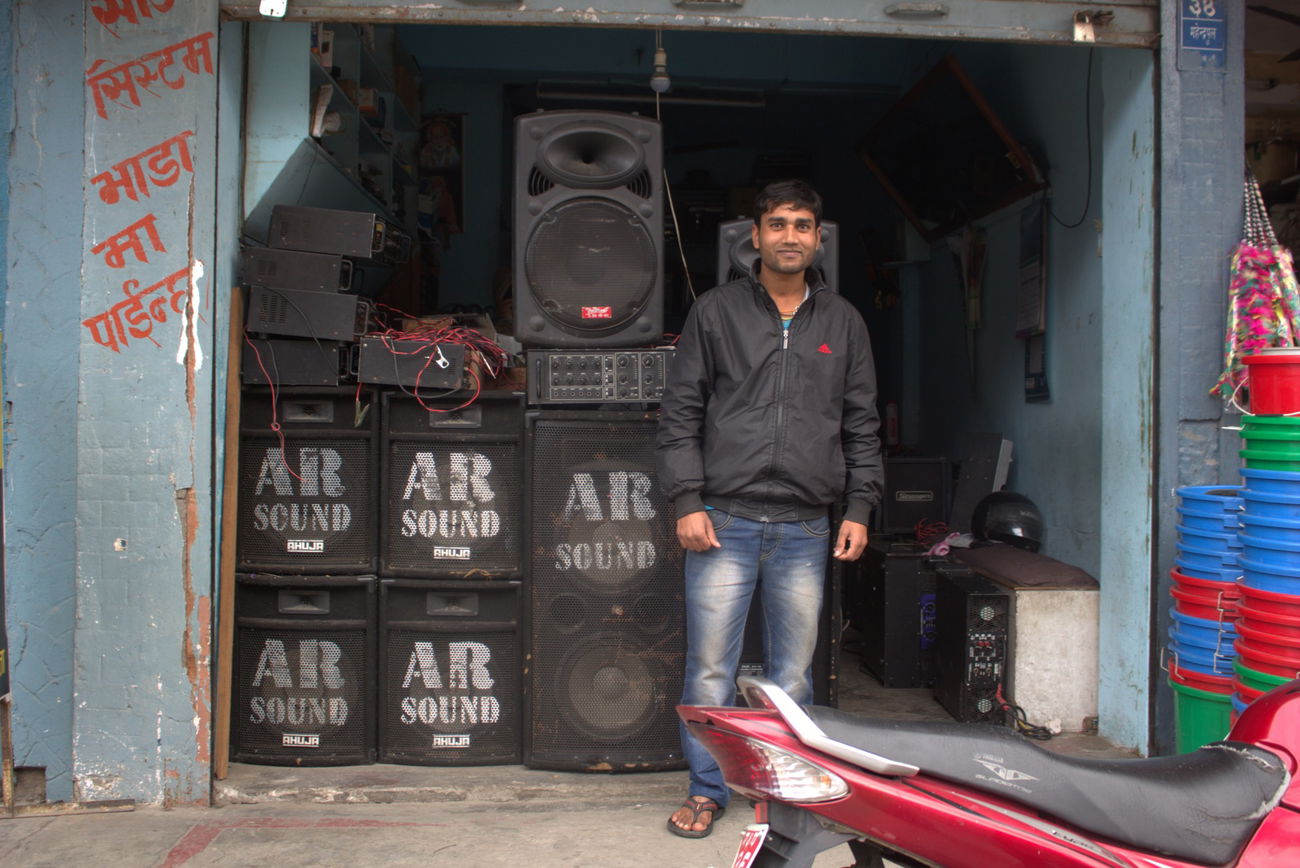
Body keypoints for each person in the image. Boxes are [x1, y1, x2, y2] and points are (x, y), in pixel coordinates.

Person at [656, 179, 883, 838]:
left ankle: (784, 793)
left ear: (818, 239)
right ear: (754, 236)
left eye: (802, 225)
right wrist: (686, 498)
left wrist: (860, 506)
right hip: (722, 521)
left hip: (806, 526)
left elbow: (862, 424)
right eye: (778, 224)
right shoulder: (716, 312)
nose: (790, 236)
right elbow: (681, 412)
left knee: (793, 675)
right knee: (710, 671)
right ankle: (706, 790)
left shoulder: (843, 321)